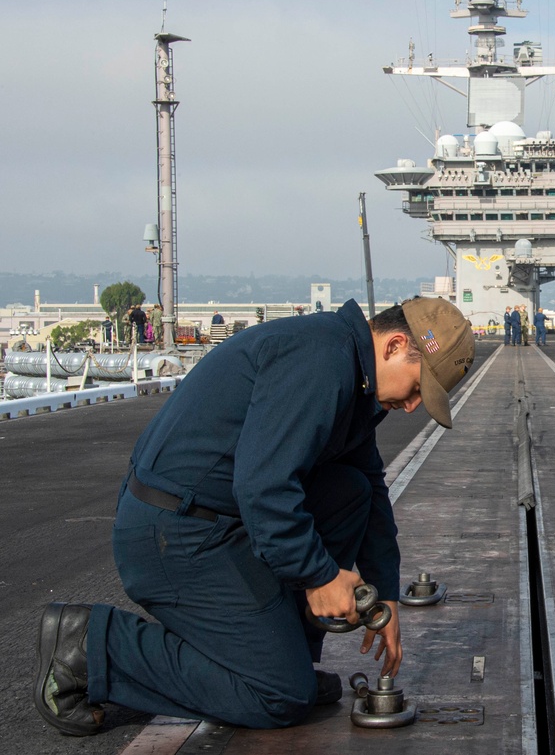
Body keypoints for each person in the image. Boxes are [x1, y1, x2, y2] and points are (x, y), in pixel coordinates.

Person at [33, 296, 475, 736]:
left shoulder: (349, 369)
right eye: (418, 388)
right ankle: (92, 648)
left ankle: (286, 653)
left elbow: (369, 487)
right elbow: (264, 488)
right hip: (174, 535)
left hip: (217, 522)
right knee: (280, 695)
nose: (415, 405)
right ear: (395, 346)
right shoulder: (320, 362)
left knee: (351, 492)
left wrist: (388, 593)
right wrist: (320, 576)